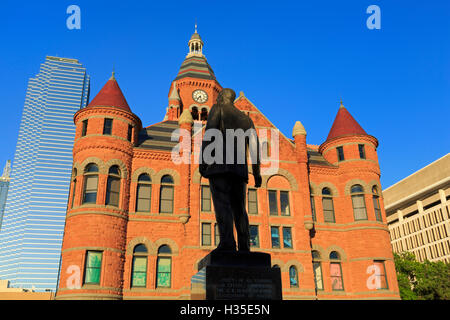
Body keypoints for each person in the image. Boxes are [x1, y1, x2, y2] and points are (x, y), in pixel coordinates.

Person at [199, 88, 262, 252]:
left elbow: (210, 134)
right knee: (240, 208)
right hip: (239, 171)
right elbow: (255, 148)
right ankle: (244, 245)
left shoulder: (217, 108)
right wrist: (256, 173)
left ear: (221, 97)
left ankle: (227, 243)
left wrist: (203, 161)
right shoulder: (246, 120)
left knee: (222, 205)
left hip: (220, 167)